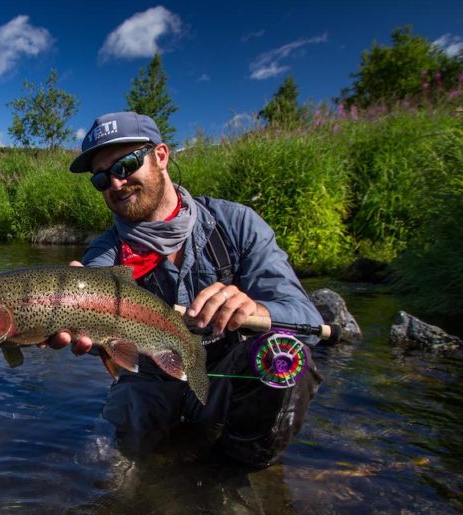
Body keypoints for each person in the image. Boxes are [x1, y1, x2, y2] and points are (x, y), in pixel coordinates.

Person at [48, 111, 323, 468]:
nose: (115, 184)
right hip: (148, 382)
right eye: (101, 178)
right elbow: (89, 287)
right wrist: (60, 310)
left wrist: (258, 310)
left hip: (227, 378)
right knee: (111, 469)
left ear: (161, 156)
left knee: (284, 356)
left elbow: (309, 321)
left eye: (126, 165)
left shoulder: (236, 225)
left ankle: (237, 472)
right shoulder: (106, 252)